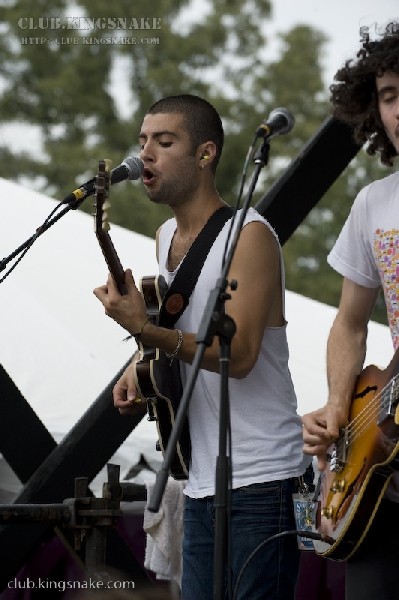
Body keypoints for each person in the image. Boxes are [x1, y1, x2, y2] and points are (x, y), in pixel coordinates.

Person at [93, 94, 311, 600]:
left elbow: (240, 355)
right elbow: (178, 330)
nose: (146, 152)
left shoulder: (249, 235)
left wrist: (146, 332)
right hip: (199, 480)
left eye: (164, 142)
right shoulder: (164, 235)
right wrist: (138, 362)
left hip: (264, 479)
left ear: (205, 154)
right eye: (143, 140)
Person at [301, 22, 399, 600]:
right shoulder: (374, 203)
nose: (398, 109)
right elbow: (350, 322)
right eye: (389, 95)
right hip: (383, 462)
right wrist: (339, 407)